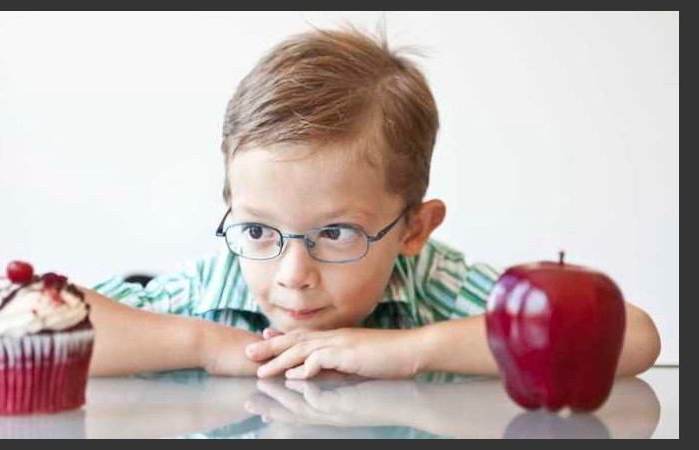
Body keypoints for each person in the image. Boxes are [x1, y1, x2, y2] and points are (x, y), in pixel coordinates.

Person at [83, 25, 661, 379]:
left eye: (334, 233)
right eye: (258, 231)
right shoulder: (210, 292)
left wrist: (411, 351)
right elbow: (20, 325)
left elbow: (633, 339)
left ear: (413, 229)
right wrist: (208, 346)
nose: (292, 275)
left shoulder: (435, 285)